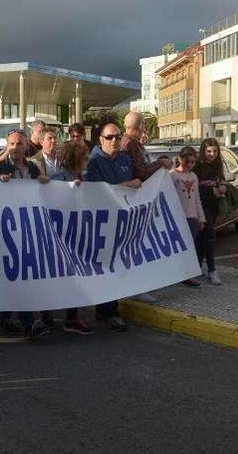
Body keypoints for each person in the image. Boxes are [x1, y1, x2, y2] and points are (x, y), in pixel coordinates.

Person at [0, 130, 52, 340]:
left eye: (19, 144)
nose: (15, 147)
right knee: (15, 274)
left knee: (21, 275)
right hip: (4, 231)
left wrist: (44, 182)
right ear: (7, 146)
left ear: (26, 146)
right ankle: (28, 323)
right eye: (12, 144)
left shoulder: (33, 168)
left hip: (26, 230)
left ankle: (8, 318)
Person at [84, 122, 142, 331]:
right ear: (101, 140)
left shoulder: (125, 159)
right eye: (109, 137)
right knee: (106, 266)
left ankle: (111, 306)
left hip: (124, 221)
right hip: (102, 222)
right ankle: (107, 310)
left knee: (119, 263)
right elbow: (97, 191)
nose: (114, 140)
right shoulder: (93, 162)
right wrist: (128, 186)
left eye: (117, 136)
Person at [45, 141, 94, 335]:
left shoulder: (86, 177)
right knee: (54, 278)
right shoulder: (58, 178)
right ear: (74, 158)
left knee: (75, 277)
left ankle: (71, 318)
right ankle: (47, 318)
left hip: (79, 233)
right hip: (61, 235)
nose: (87, 159)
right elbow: (52, 204)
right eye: (84, 156)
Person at [170, 147, 205, 287]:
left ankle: (187, 275)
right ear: (179, 158)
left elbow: (196, 199)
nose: (190, 164)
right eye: (187, 161)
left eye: (193, 162)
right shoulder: (172, 175)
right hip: (178, 216)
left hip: (191, 217)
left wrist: (201, 218)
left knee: (190, 247)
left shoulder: (193, 176)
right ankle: (176, 274)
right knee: (177, 248)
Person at [193, 138, 226, 285]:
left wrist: (222, 187)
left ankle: (198, 267)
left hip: (213, 206)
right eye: (208, 151)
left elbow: (223, 180)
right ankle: (212, 269)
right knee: (209, 236)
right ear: (203, 151)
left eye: (214, 151)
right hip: (199, 206)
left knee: (203, 238)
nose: (212, 154)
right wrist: (208, 186)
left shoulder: (218, 165)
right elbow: (192, 186)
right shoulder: (197, 165)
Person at [122, 111, 172, 181]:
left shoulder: (127, 142)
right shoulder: (131, 145)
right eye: (144, 124)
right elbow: (142, 172)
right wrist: (162, 162)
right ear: (140, 125)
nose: (144, 128)